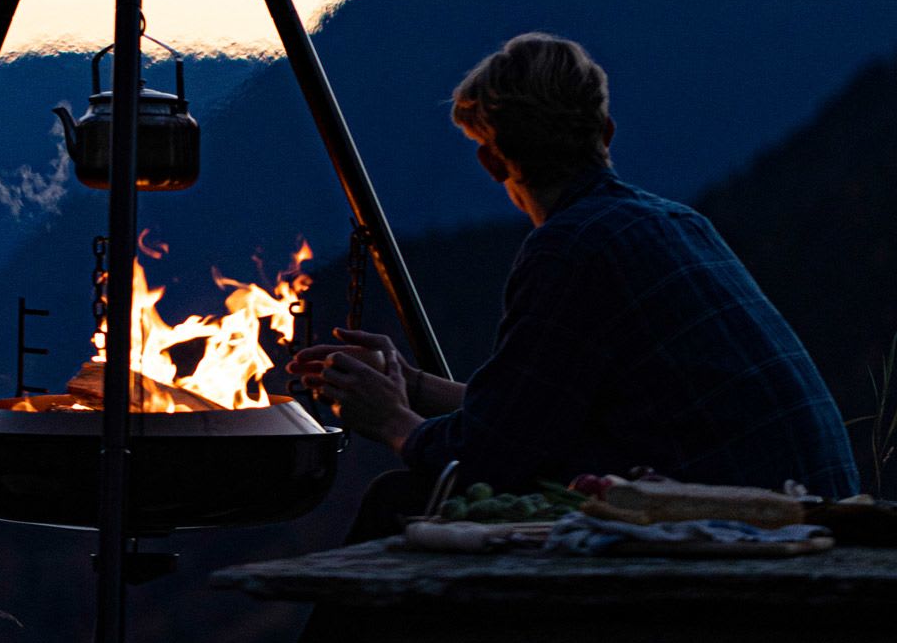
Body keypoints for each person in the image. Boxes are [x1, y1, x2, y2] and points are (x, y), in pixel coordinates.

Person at [291, 33, 859, 534]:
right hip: (817, 502)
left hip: (753, 522)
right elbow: (532, 413)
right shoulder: (674, 223)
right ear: (606, 130)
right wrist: (412, 385)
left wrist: (391, 420)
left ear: (492, 162)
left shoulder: (571, 246)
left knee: (404, 500)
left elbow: (490, 459)